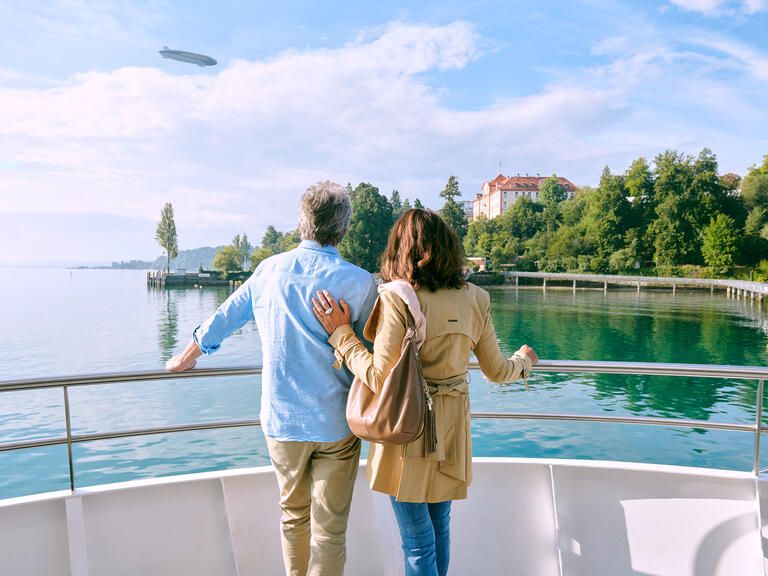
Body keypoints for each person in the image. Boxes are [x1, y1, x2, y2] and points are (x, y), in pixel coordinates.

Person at [166, 181, 378, 576]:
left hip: (282, 422)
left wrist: (187, 356)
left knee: (293, 518)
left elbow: (224, 319)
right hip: (337, 423)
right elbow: (371, 353)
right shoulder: (360, 282)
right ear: (343, 229)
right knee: (329, 532)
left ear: (302, 225)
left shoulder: (269, 271)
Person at [311, 209, 538, 576]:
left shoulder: (397, 298)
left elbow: (377, 375)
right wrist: (523, 361)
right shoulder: (476, 298)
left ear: (399, 249)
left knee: (418, 542)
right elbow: (497, 370)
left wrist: (341, 335)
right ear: (449, 247)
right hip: (452, 430)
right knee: (439, 529)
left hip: (408, 427)